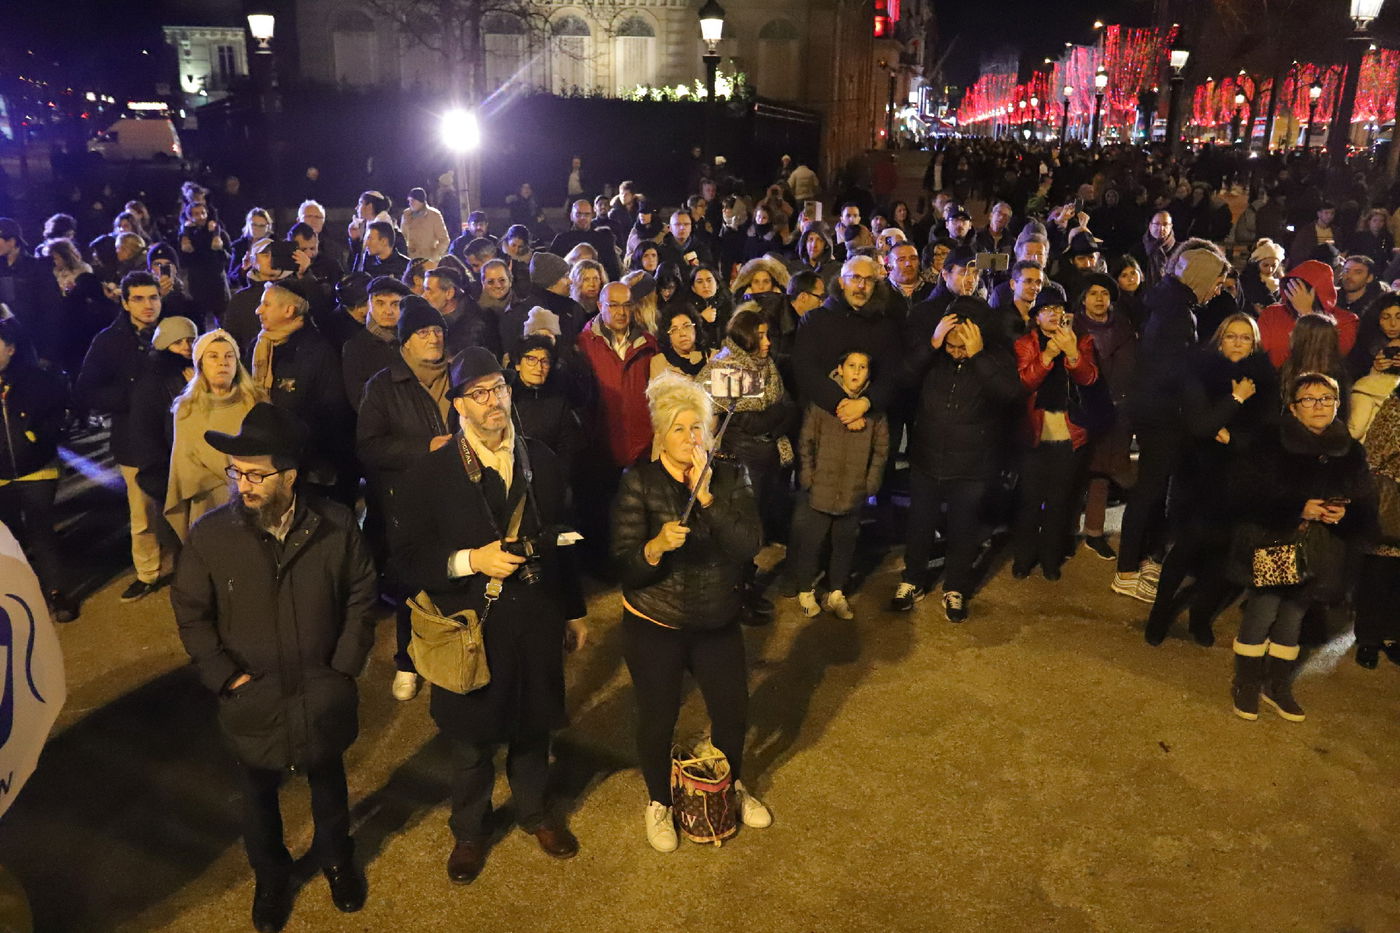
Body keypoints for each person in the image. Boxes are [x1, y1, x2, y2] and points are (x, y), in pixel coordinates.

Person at [171, 403, 378, 931]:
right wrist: (224, 677)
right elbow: (192, 613)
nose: (245, 484)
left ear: (290, 475)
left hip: (321, 686)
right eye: (237, 472)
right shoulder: (211, 535)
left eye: (258, 473)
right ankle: (271, 876)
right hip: (251, 694)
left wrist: (345, 663)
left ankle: (337, 860)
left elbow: (360, 589)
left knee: (328, 780)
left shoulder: (333, 525)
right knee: (256, 795)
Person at [395, 347, 588, 882]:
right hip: (471, 627)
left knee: (533, 728)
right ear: (457, 404)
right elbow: (405, 560)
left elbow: (562, 542)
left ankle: (534, 812)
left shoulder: (541, 458)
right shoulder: (430, 474)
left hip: (537, 620)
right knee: (470, 743)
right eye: (478, 393)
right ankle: (470, 831)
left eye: (498, 389)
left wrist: (573, 612)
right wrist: (469, 561)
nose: (492, 401)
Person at [609, 371, 771, 853]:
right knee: (657, 717)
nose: (690, 437)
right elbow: (624, 565)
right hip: (654, 621)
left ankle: (732, 785)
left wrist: (707, 499)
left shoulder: (729, 475)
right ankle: (659, 801)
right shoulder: (638, 482)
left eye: (696, 426)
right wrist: (655, 547)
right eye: (678, 428)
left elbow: (748, 545)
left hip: (716, 619)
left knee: (732, 714)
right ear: (660, 433)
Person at [1225, 372, 1375, 722]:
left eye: (1327, 398)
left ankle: (1276, 684)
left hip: (1322, 549)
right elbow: (1243, 492)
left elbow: (1365, 503)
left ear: (1338, 404)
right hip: (1276, 541)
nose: (1319, 405)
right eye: (1309, 399)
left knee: (1293, 618)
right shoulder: (1270, 442)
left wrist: (1344, 513)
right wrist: (1296, 507)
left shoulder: (1350, 451)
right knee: (1263, 611)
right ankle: (1245, 682)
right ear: (1293, 408)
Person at [1144, 314, 1277, 646]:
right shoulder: (1200, 373)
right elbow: (1201, 425)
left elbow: (1268, 436)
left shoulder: (1266, 381)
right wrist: (1236, 400)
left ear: (1255, 344)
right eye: (1230, 336)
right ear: (1219, 340)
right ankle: (1159, 614)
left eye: (1245, 338)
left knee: (1222, 556)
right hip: (1199, 479)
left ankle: (1200, 617)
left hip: (1240, 483)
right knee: (1185, 549)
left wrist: (1232, 438)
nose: (1236, 343)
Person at [892, 298, 1021, 619]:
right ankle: (912, 580)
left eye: (961, 345)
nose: (955, 351)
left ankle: (956, 588)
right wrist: (932, 344)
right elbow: (903, 378)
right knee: (919, 525)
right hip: (927, 459)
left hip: (973, 465)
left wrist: (977, 356)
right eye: (950, 344)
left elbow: (1009, 394)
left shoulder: (995, 357)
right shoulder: (934, 355)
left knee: (963, 530)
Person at [1115, 245, 1229, 602]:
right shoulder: (1178, 314)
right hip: (1160, 415)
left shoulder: (1171, 304)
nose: (1219, 288)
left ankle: (1147, 556)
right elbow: (1176, 374)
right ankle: (1126, 571)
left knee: (1154, 489)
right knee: (1148, 490)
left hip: (1154, 412)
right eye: (1217, 280)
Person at [356, 298, 454, 702]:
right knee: (412, 583)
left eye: (437, 331)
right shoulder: (383, 386)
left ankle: (455, 652)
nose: (432, 338)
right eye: (422, 332)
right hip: (407, 502)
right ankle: (407, 661)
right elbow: (369, 447)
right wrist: (426, 447)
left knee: (458, 577)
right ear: (405, 342)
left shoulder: (460, 374)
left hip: (458, 495)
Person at [76, 271, 178, 601]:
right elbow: (87, 389)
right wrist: (133, 398)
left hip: (176, 436)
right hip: (135, 439)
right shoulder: (108, 341)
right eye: (139, 298)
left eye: (154, 297)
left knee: (183, 504)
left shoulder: (175, 331)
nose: (148, 305)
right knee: (143, 512)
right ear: (125, 302)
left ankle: (189, 566)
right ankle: (148, 571)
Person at [788, 350, 888, 619]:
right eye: (851, 366)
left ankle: (836, 592)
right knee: (813, 540)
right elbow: (806, 441)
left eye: (863, 367)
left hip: (853, 489)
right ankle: (806, 589)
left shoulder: (874, 411)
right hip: (821, 487)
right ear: (840, 369)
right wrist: (808, 477)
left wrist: (870, 483)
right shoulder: (822, 403)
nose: (856, 372)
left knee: (844, 543)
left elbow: (881, 450)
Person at [1011, 294, 1099, 580]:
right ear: (1036, 317)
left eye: (1058, 308)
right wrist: (1048, 355)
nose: (1053, 314)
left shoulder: (1082, 340)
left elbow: (1089, 379)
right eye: (1046, 309)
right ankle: (1024, 558)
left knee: (1059, 502)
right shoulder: (1025, 344)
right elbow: (1024, 382)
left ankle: (1050, 559)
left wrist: (1072, 353)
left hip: (1069, 434)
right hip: (1033, 433)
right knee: (1029, 501)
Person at [248, 277, 355, 503]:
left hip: (307, 472)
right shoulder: (259, 348)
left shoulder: (317, 353)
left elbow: (333, 416)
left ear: (289, 310)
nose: (258, 310)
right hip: (266, 464)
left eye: (266, 304)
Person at [0, 319, 76, 621]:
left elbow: (61, 413)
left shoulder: (36, 379)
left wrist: (38, 435)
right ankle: (23, 597)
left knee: (41, 531)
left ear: (11, 348)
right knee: (11, 537)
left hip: (37, 470)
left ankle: (58, 593)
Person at [164, 329, 265, 541]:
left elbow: (266, 451)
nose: (222, 363)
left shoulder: (255, 402)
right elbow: (184, 466)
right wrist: (228, 480)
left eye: (229, 356)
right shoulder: (187, 409)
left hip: (253, 495)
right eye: (213, 356)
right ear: (200, 364)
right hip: (208, 500)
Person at [1072, 273, 1135, 560]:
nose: (1099, 299)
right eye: (1093, 292)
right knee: (1073, 474)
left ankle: (1094, 533)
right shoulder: (1072, 327)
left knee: (1102, 473)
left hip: (1116, 408)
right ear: (1083, 297)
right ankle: (1066, 532)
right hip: (1080, 408)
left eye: (1105, 293)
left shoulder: (1123, 329)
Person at [1347, 340, 1400, 668]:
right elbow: (1376, 451)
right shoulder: (1395, 404)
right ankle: (1368, 637)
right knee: (1379, 570)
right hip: (1392, 498)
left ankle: (1394, 634)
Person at [127, 316, 198, 512]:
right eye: (177, 342)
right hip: (167, 471)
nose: (186, 347)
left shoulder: (198, 372)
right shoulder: (152, 381)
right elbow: (146, 431)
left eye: (191, 340)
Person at [343, 276, 408, 410]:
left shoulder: (413, 339)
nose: (388, 311)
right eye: (380, 303)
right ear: (369, 305)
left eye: (395, 304)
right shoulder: (355, 347)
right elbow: (360, 399)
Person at [549, 200, 621, 280]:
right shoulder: (561, 240)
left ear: (592, 216)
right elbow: (552, 269)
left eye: (587, 214)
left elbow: (613, 271)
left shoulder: (603, 239)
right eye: (578, 214)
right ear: (571, 216)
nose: (583, 218)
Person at [651, 306, 707, 379]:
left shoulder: (712, 356)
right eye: (674, 330)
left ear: (695, 328)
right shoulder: (659, 362)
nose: (682, 333)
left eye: (687, 326)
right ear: (668, 336)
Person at [400, 187, 450, 261]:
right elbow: (402, 237)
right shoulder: (406, 214)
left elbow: (444, 240)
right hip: (411, 259)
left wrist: (434, 255)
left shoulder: (434, 215)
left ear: (421, 201)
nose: (410, 203)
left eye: (413, 200)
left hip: (428, 259)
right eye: (409, 201)